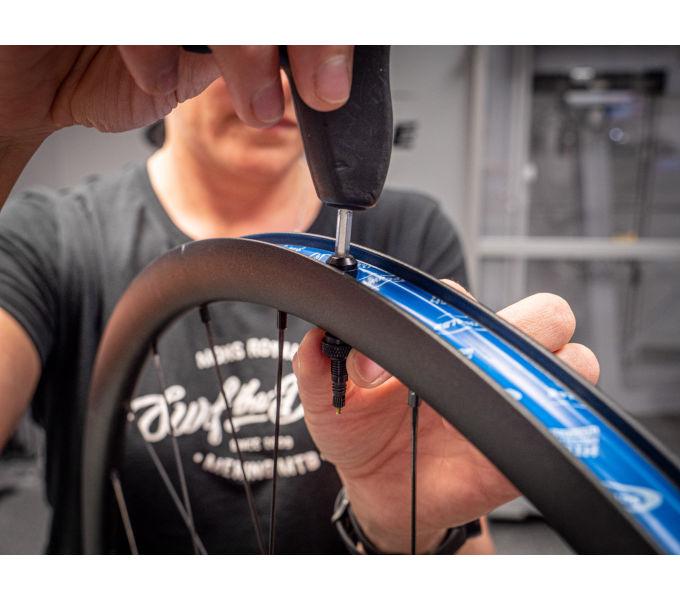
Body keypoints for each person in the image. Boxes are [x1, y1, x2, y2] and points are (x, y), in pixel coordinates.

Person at [0, 46, 600, 554]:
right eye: (266, 51)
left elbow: (470, 549)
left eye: (308, 57)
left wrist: (404, 526)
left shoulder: (410, 236)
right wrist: (10, 119)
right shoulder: (53, 237)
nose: (289, 83)